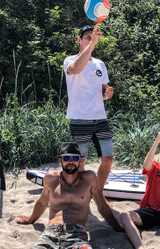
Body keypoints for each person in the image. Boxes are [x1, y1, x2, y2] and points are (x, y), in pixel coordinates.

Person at [17, 142, 122, 249]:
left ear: (80, 161)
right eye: (66, 158)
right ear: (60, 160)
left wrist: (117, 227)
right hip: (51, 231)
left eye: (75, 158)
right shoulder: (51, 178)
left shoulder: (88, 178)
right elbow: (42, 202)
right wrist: (31, 220)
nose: (71, 162)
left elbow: (102, 206)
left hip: (77, 234)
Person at [63, 23, 114, 192]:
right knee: (80, 161)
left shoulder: (100, 64)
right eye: (87, 37)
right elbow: (76, 69)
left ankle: (97, 193)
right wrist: (92, 45)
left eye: (93, 37)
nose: (91, 39)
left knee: (108, 158)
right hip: (79, 118)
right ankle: (81, 194)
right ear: (79, 40)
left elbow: (102, 89)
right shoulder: (70, 60)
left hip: (100, 118)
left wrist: (107, 93)